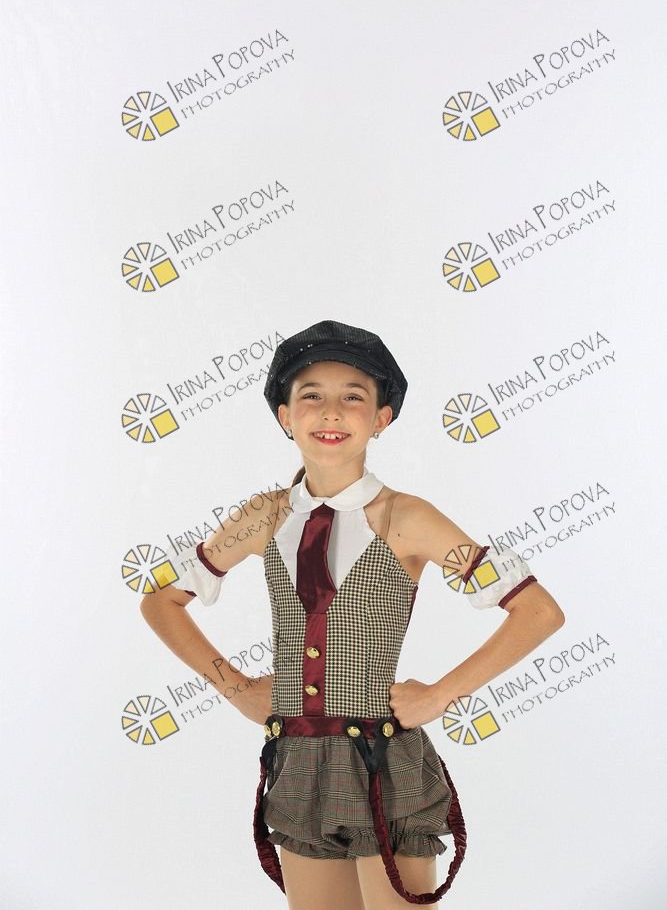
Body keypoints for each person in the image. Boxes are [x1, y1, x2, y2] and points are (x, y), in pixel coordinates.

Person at [140, 319, 565, 909]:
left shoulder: (408, 518)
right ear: (285, 416)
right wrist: (234, 687)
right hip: (297, 760)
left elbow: (537, 611)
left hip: (382, 758)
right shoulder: (262, 517)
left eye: (353, 397)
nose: (331, 412)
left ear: (382, 418)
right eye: (311, 395)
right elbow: (160, 598)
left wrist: (441, 694)